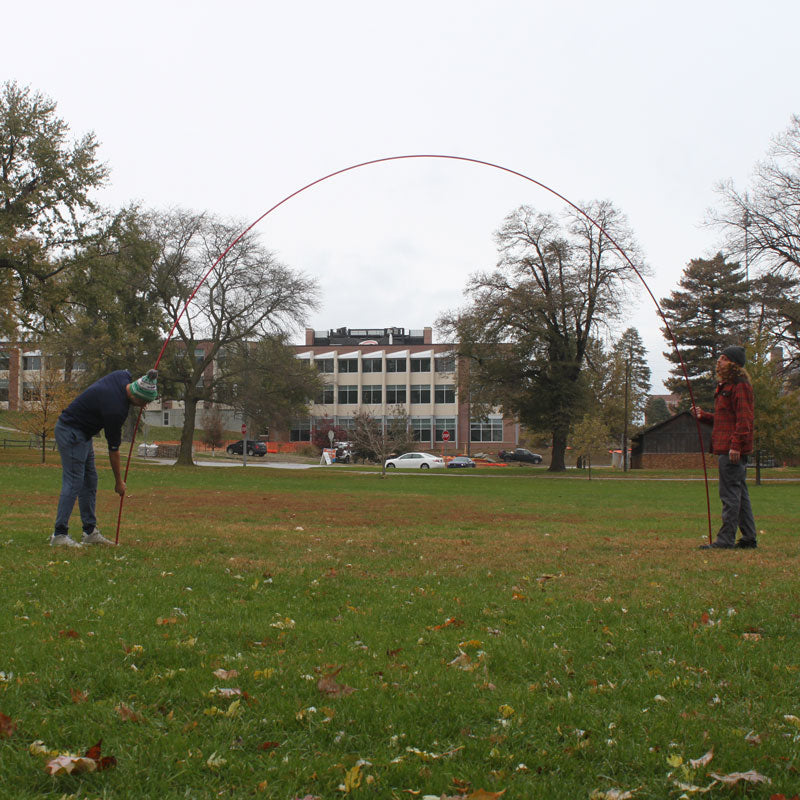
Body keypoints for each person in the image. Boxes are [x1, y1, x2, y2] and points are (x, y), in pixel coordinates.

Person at [50, 369, 158, 548]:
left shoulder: (122, 377)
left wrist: (150, 376)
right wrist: (119, 482)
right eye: (145, 402)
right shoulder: (116, 411)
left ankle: (89, 532)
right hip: (70, 432)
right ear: (138, 397)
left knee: (90, 481)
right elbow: (113, 451)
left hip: (83, 434)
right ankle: (59, 534)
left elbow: (130, 374)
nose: (144, 406)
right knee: (74, 482)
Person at [692, 345, 757, 549]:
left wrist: (736, 445)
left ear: (734, 364)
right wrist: (704, 416)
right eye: (719, 357)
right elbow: (725, 419)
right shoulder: (726, 387)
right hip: (726, 448)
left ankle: (725, 540)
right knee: (741, 496)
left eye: (724, 358)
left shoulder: (740, 387)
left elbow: (744, 420)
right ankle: (748, 538)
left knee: (729, 496)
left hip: (731, 451)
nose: (718, 361)